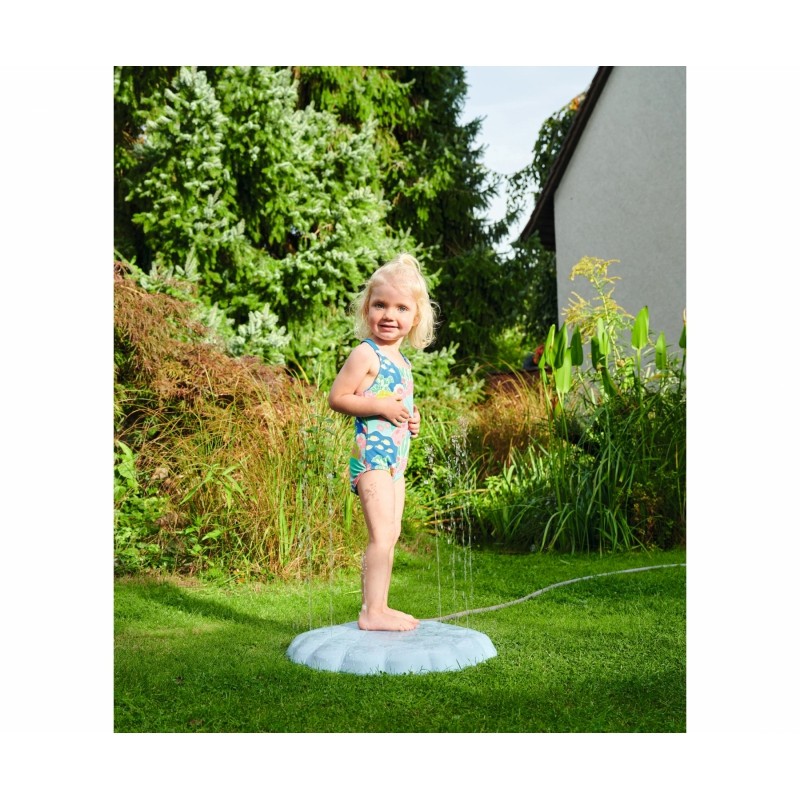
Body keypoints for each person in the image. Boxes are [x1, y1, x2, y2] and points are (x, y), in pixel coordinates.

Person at [328, 253, 436, 631]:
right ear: (367, 308)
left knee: (392, 534)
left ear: (415, 317)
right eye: (380, 305)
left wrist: (411, 417)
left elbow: (397, 403)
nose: (389, 315)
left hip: (395, 464)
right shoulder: (366, 353)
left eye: (401, 307)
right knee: (380, 534)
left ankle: (381, 606)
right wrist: (379, 406)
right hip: (372, 459)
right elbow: (338, 397)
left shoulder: (403, 362)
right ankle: (371, 612)